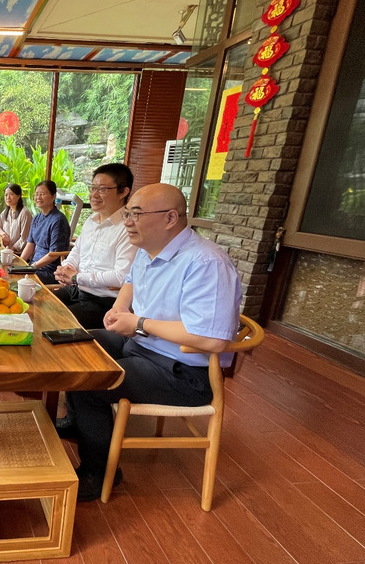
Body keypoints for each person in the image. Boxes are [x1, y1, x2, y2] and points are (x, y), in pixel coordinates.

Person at [62, 183, 242, 501]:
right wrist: (120, 309)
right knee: (75, 346)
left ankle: (97, 474)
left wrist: (139, 323)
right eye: (127, 214)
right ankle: (82, 423)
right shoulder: (149, 250)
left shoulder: (206, 262)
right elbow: (131, 281)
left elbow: (212, 340)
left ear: (170, 218)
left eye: (136, 214)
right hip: (143, 345)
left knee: (90, 380)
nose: (128, 222)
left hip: (183, 372)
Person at [52, 164, 137, 329]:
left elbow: (121, 276)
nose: (94, 195)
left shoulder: (128, 227)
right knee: (41, 305)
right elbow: (77, 250)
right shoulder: (91, 220)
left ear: (123, 192)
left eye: (102, 189)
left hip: (104, 301)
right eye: (93, 188)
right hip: (78, 290)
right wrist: (66, 267)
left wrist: (77, 277)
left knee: (55, 323)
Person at [19, 180, 71, 285]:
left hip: (50, 270)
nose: (38, 197)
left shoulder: (58, 220)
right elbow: (30, 245)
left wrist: (32, 267)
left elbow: (54, 254)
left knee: (19, 279)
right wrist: (19, 263)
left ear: (53, 196)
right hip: (35, 265)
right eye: (36, 194)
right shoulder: (37, 218)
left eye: (42, 194)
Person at [0, 183, 32, 254]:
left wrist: (11, 250)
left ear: (18, 196)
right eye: (6, 195)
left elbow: (24, 239)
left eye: (11, 194)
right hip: (6, 250)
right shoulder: (7, 210)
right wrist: (3, 234)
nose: (8, 197)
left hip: (19, 253)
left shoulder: (24, 213)